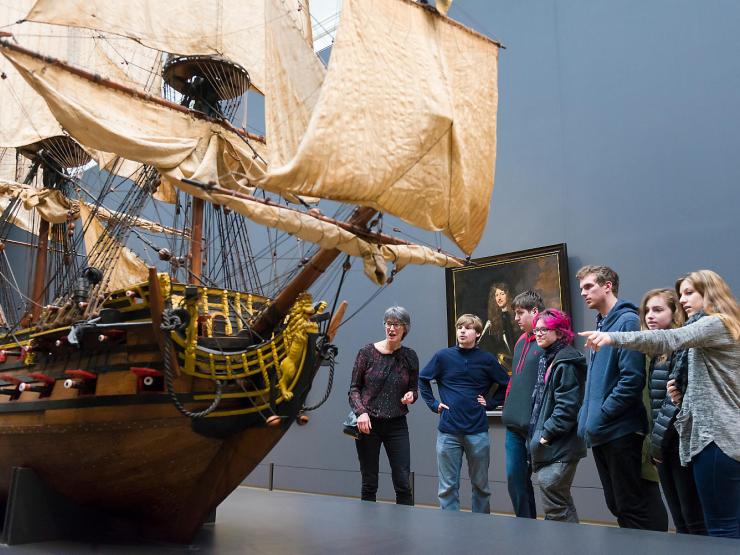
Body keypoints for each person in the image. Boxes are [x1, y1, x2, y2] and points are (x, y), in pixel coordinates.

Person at [581, 270, 740, 538]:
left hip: (718, 438)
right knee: (703, 524)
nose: (683, 299)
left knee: (721, 527)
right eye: (681, 294)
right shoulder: (704, 331)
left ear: (709, 292)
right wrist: (681, 392)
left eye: (690, 292)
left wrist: (612, 337)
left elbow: (669, 338)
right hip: (703, 438)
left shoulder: (716, 323)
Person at [575, 265, 665, 530]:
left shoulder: (626, 321)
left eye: (589, 286)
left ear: (607, 286)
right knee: (618, 505)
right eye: (581, 288)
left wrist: (601, 415)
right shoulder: (602, 323)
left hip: (620, 431)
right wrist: (587, 418)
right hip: (603, 432)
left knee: (632, 506)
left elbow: (631, 379)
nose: (583, 293)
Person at [419, 314, 509, 513]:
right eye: (459, 327)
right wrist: (434, 404)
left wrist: (491, 403)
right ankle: (452, 532)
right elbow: (423, 379)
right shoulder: (443, 356)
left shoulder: (486, 359)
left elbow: (506, 383)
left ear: (477, 333)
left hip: (477, 432)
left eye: (467, 328)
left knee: (481, 487)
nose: (461, 331)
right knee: (447, 488)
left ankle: (480, 529)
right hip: (448, 432)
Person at [640, 289, 706, 534]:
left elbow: (674, 402)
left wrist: (658, 444)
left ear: (674, 312)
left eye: (658, 310)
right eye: (647, 310)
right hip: (664, 445)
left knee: (693, 519)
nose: (650, 316)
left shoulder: (683, 348)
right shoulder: (658, 353)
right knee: (679, 519)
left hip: (680, 444)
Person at [349, 306, 419, 506]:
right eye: (388, 323)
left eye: (396, 324)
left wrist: (411, 396)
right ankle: (368, 530)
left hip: (397, 424)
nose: (391, 328)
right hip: (368, 424)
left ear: (405, 328)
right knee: (369, 482)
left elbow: (414, 389)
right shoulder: (367, 352)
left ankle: (405, 528)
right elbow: (354, 389)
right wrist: (361, 413)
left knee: (403, 482)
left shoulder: (410, 356)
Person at [527, 308, 587, 522]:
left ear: (560, 333)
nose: (539, 334)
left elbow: (568, 406)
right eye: (536, 330)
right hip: (553, 445)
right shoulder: (549, 359)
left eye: (545, 329)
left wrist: (546, 434)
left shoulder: (566, 361)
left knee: (555, 507)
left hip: (560, 445)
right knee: (560, 503)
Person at [501, 290, 545, 518]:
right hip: (514, 424)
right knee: (514, 479)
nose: (516, 318)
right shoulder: (519, 341)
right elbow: (514, 380)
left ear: (535, 312)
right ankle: (525, 525)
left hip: (538, 425)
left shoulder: (548, 340)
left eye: (520, 313)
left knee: (550, 483)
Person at [480, 282, 517, 372]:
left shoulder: (517, 317)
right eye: (496, 295)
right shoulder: (492, 322)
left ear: (508, 295)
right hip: (502, 366)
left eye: (502, 294)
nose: (499, 298)